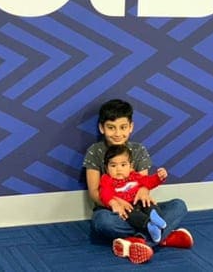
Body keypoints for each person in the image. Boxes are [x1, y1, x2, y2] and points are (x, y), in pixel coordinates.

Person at [83, 99, 194, 264]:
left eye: (123, 127)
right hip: (113, 211)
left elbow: (143, 182)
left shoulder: (138, 150)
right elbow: (94, 192)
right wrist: (114, 202)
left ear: (131, 127)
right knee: (102, 223)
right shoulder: (95, 151)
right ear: (102, 128)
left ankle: (138, 242)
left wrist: (144, 190)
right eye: (111, 127)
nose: (117, 133)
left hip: (140, 209)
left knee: (179, 205)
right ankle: (164, 238)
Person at [100, 144, 168, 243]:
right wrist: (113, 203)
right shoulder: (107, 180)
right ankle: (150, 225)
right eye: (113, 165)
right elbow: (104, 193)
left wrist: (159, 177)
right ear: (106, 168)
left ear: (130, 166)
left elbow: (148, 182)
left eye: (123, 165)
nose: (118, 169)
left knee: (150, 203)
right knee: (130, 216)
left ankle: (155, 217)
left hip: (140, 202)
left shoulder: (135, 176)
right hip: (127, 208)